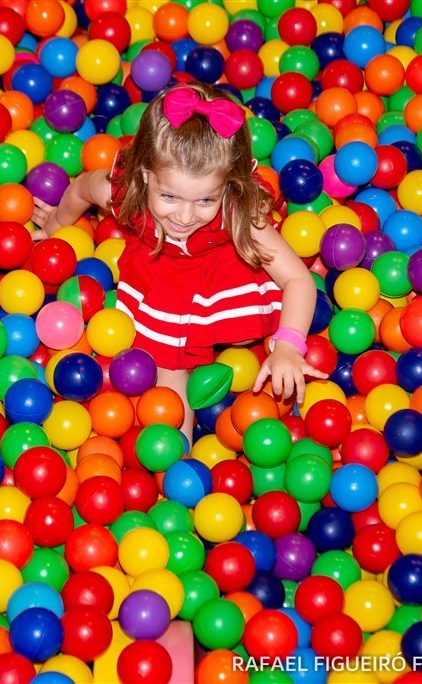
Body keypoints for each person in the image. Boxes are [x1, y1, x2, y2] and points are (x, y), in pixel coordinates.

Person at [32, 82, 327, 440]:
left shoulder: (237, 213)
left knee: (245, 342)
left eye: (205, 200)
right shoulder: (126, 193)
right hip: (162, 280)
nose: (185, 217)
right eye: (169, 196)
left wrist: (288, 348)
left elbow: (297, 280)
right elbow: (82, 188)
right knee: (168, 373)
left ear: (228, 187)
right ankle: (179, 467)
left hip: (223, 271)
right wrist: (55, 223)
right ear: (145, 177)